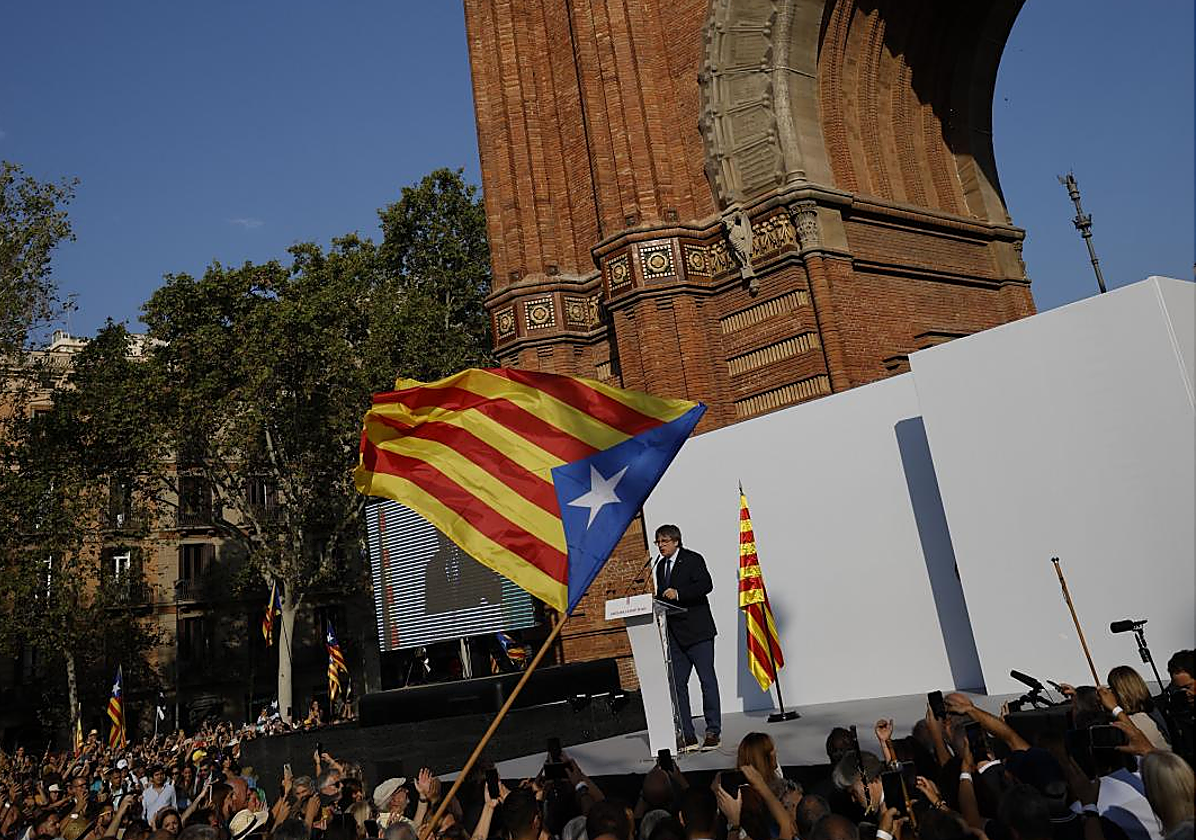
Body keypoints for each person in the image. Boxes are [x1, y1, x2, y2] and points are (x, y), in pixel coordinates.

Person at [654, 524, 721, 749]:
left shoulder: (693, 559)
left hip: (699, 632)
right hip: (676, 635)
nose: (660, 546)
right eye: (658, 542)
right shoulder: (660, 566)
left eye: (664, 541)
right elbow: (664, 597)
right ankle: (688, 734)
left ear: (676, 541)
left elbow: (706, 585)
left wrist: (679, 593)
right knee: (678, 684)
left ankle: (713, 731)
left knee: (707, 681)